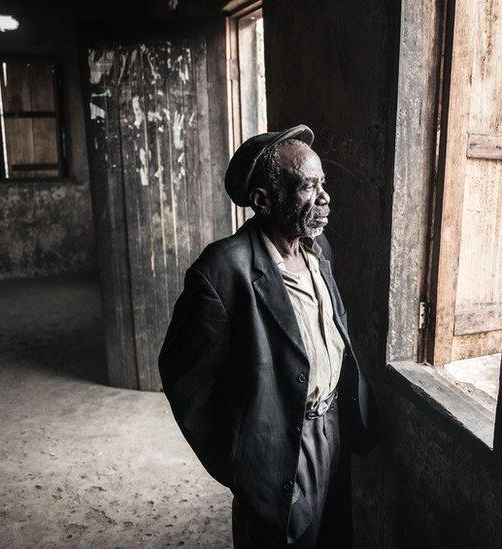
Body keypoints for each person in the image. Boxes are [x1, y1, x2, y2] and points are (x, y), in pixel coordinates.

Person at [158, 124, 379, 547]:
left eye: (323, 184)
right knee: (279, 538)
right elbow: (185, 377)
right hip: (278, 443)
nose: (324, 197)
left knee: (330, 536)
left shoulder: (318, 249)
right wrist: (244, 463)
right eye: (307, 187)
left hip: (331, 426)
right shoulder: (222, 270)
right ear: (262, 201)